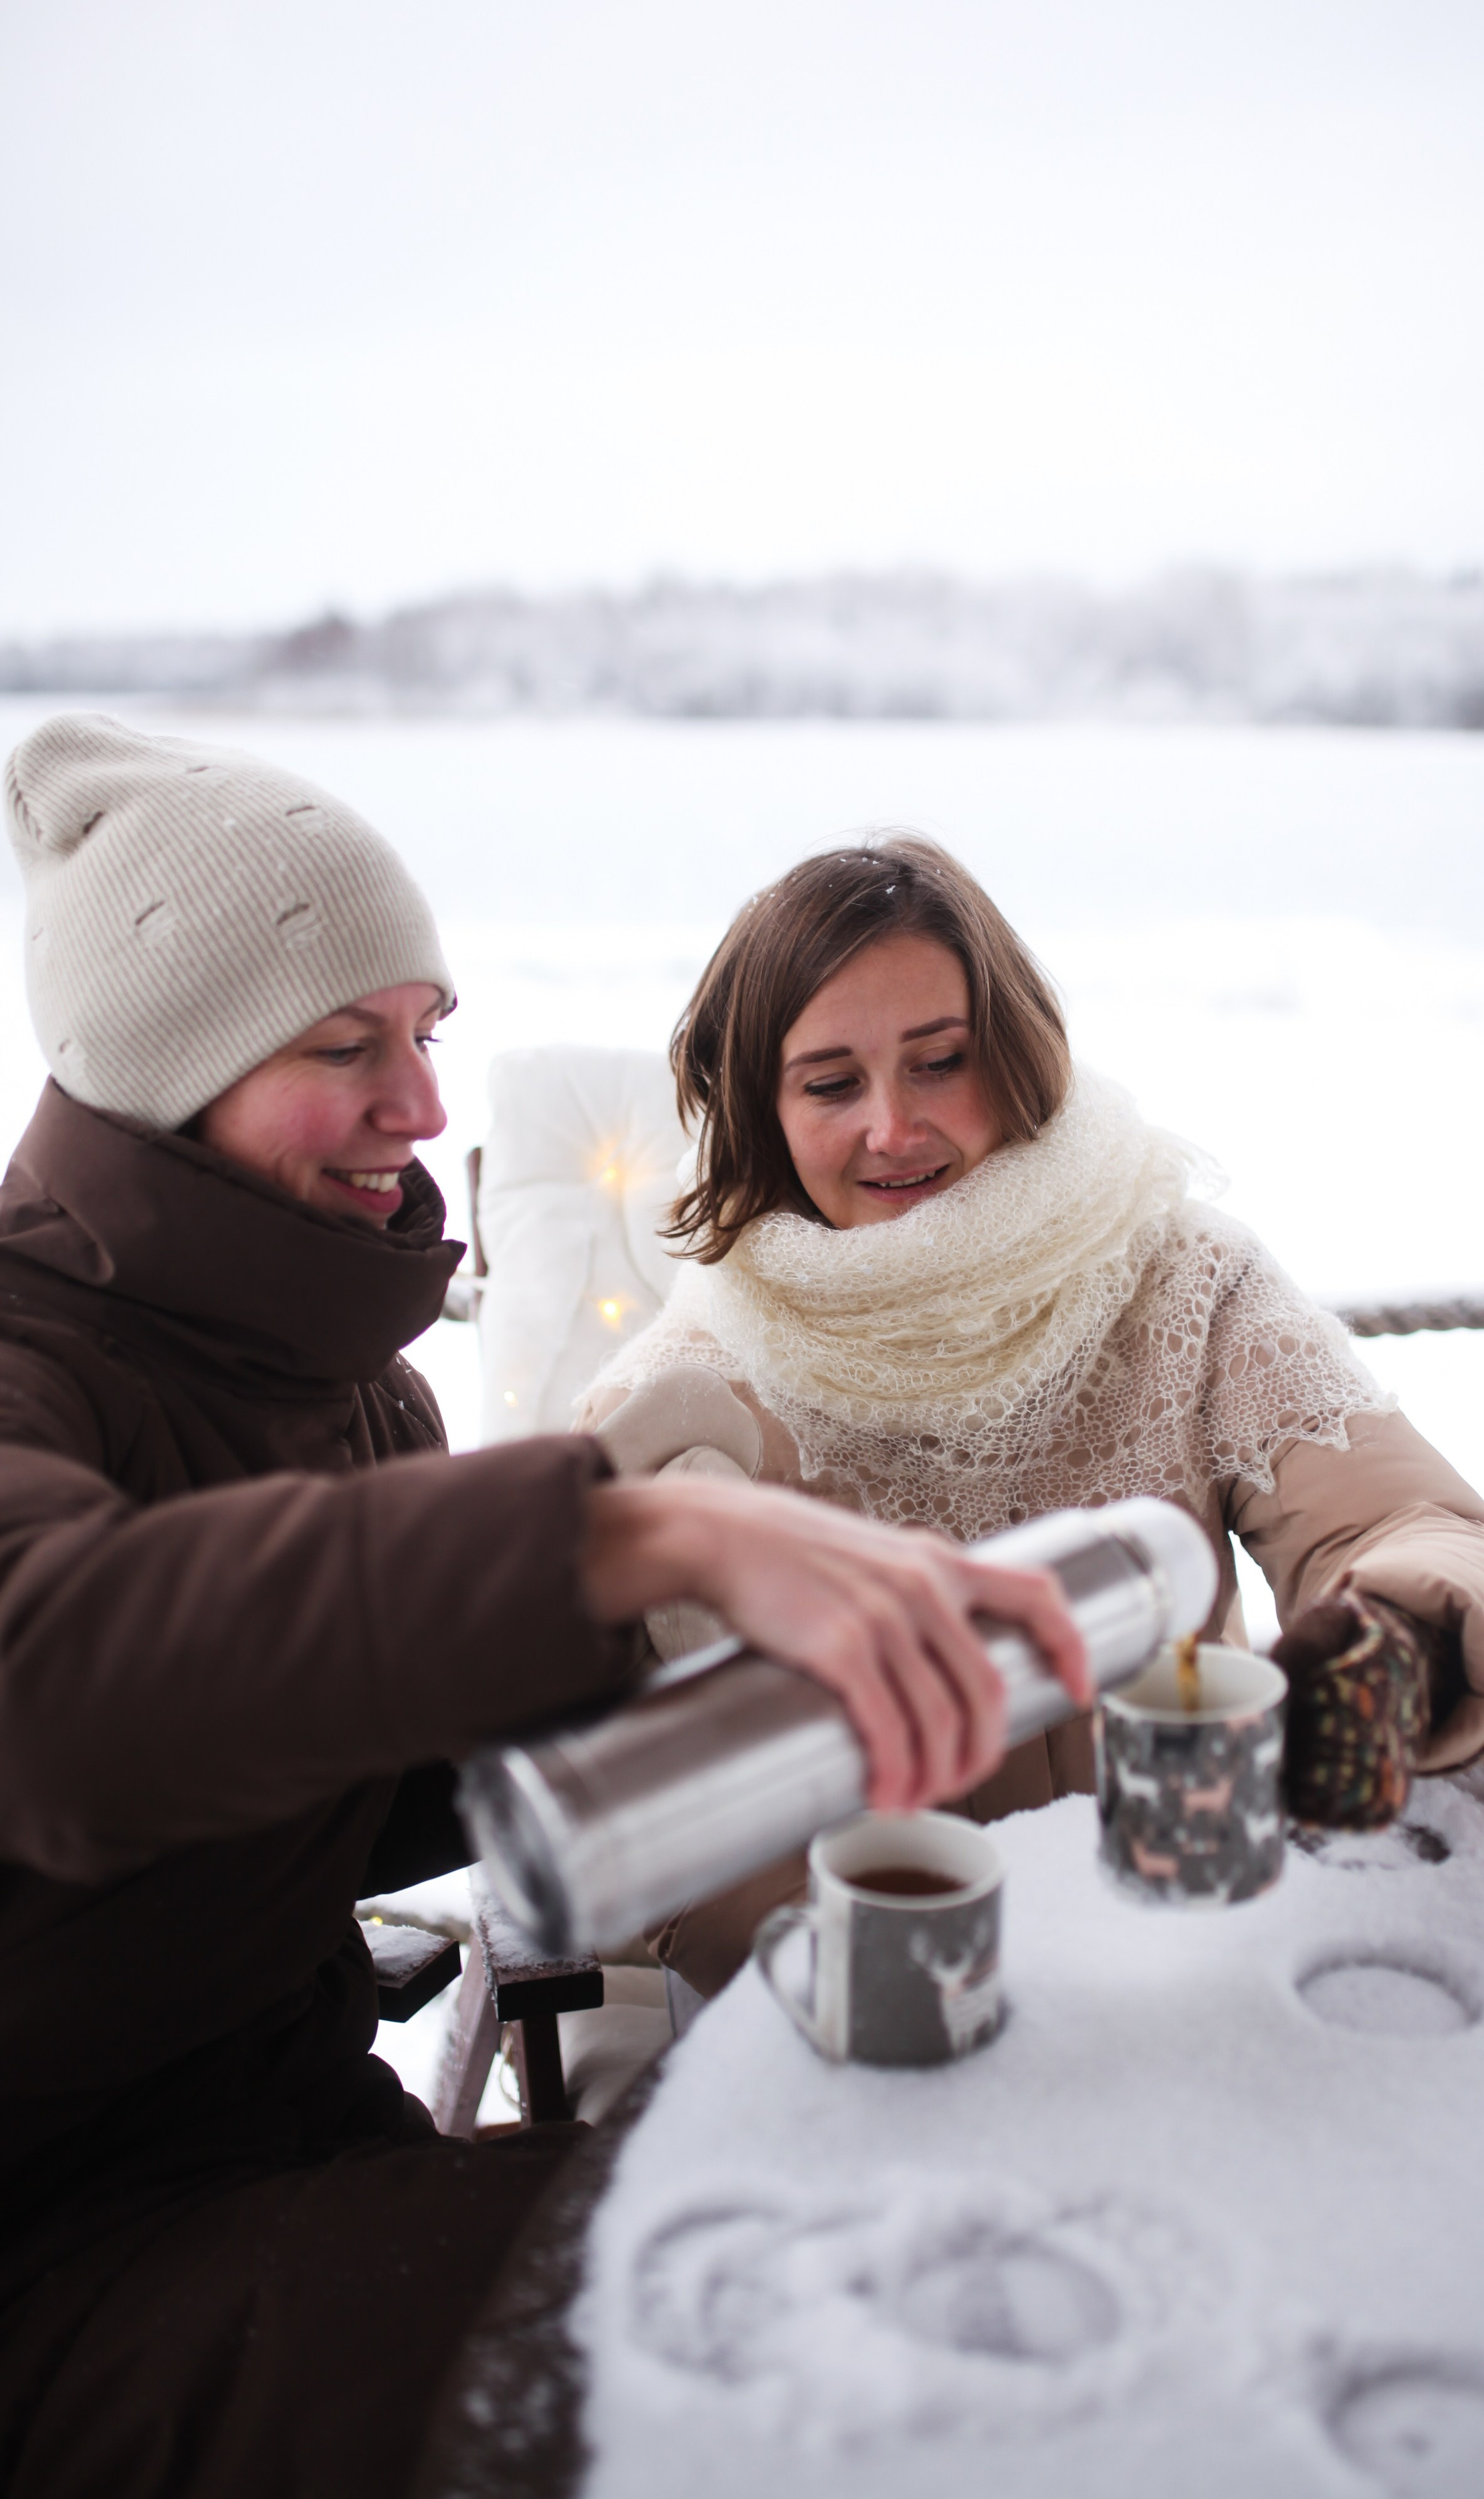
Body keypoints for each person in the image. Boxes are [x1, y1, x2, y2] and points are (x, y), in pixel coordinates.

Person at [0, 720, 1085, 2499]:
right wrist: (608, 1540)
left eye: (424, 1033)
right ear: (156, 1071)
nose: (425, 1108)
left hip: (286, 2141)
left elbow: (352, 1791)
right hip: (53, 2241)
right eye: (343, 1047)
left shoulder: (354, 1396)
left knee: (872, 2252)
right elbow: (59, 1679)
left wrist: (703, 1689)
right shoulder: (27, 1364)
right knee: (780, 2361)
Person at [578, 835, 1484, 1994]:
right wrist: (893, 1968)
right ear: (762, 1109)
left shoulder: (1184, 1281)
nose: (893, 1127)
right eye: (832, 1084)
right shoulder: (681, 1409)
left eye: (940, 1062)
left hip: (1209, 1956)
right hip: (905, 2018)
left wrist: (1397, 1640)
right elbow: (667, 1837)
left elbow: (1404, 1523)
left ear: (1013, 1051)